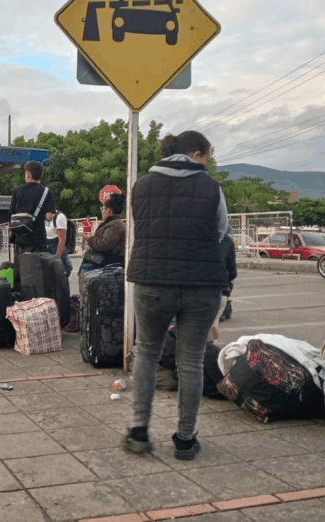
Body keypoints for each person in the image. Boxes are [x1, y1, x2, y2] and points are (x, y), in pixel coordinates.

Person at [124, 130, 228, 461]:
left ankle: (139, 431)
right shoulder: (211, 187)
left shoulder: (140, 185)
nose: (209, 163)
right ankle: (184, 439)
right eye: (208, 156)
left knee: (146, 352)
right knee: (192, 360)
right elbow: (220, 230)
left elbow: (141, 231)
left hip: (151, 282)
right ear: (197, 154)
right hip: (201, 284)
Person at [9, 160, 55, 282]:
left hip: (19, 239)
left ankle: (20, 298)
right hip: (37, 240)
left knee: (19, 273)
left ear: (28, 174)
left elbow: (12, 215)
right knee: (36, 275)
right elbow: (49, 217)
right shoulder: (47, 192)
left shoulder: (17, 191)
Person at [79, 193, 126, 274]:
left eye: (103, 209)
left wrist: (89, 238)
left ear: (108, 210)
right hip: (109, 261)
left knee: (84, 269)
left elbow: (103, 245)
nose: (102, 211)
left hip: (109, 263)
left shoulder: (114, 225)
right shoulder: (114, 223)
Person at [45, 209, 73, 276]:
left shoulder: (59, 217)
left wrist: (57, 261)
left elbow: (62, 240)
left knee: (63, 271)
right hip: (46, 246)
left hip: (56, 247)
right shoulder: (41, 215)